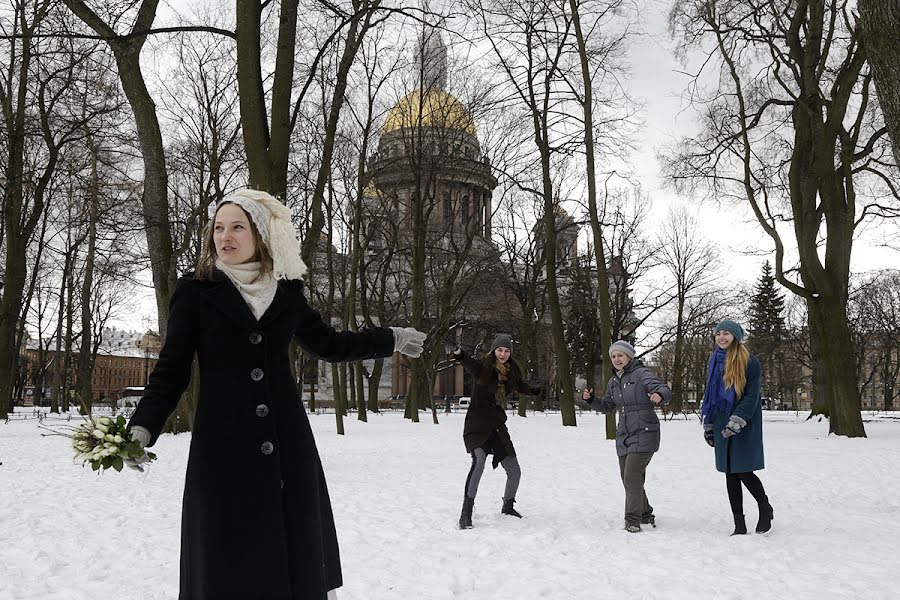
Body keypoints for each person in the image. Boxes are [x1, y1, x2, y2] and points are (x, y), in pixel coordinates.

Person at [125, 189, 426, 600]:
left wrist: (388, 338)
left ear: (260, 236)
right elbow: (171, 370)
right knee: (227, 560)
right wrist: (143, 427)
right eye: (218, 228)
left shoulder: (286, 292)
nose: (224, 237)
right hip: (223, 447)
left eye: (237, 228)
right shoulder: (196, 291)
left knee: (293, 553)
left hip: (287, 444)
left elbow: (329, 344)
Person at [582, 340, 672, 533]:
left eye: (620, 355)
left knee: (631, 477)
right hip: (624, 434)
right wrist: (591, 400)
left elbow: (663, 389)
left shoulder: (641, 374)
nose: (617, 359)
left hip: (645, 432)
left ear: (629, 357)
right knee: (629, 478)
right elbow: (607, 406)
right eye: (613, 356)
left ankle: (632, 520)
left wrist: (659, 395)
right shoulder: (614, 381)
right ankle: (646, 513)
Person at [452, 334, 540, 529]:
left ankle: (508, 506)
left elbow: (520, 385)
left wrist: (534, 390)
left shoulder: (512, 373)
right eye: (499, 350)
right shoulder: (483, 368)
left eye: (506, 350)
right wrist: (459, 354)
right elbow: (470, 363)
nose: (503, 353)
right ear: (494, 351)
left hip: (497, 427)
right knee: (479, 463)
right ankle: (466, 513)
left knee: (514, 471)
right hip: (477, 426)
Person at [700, 319, 773, 535]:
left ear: (736, 337)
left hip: (743, 420)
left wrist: (737, 420)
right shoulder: (714, 360)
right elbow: (710, 394)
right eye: (718, 333)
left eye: (726, 333)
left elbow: (752, 395)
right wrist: (709, 424)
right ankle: (739, 525)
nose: (722, 337)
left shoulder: (750, 361)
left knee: (743, 471)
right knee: (729, 473)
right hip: (721, 418)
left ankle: (764, 507)